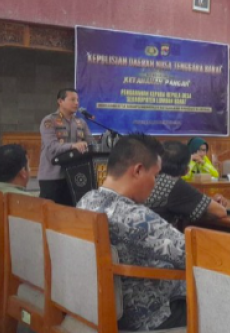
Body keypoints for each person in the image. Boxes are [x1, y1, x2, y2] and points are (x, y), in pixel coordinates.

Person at [77, 133, 187, 330]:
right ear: (137, 170)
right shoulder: (136, 218)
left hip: (96, 307)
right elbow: (194, 254)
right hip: (150, 316)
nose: (155, 183)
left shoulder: (86, 201)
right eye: (155, 175)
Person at [146, 140, 228, 227]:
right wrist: (207, 204)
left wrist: (207, 201)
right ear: (186, 170)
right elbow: (220, 212)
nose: (201, 153)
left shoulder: (149, 178)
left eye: (204, 150)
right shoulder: (174, 185)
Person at [38, 88, 93, 206]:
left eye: (78, 100)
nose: (76, 103)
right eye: (72, 99)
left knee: (71, 215)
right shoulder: (49, 121)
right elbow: (52, 147)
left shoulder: (81, 122)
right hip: (53, 175)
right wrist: (73, 145)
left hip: (75, 176)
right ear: (60, 101)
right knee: (51, 216)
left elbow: (91, 144)